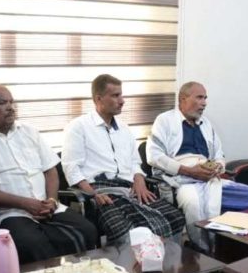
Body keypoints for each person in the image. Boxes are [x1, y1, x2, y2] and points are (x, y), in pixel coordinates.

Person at [0, 84, 97, 264]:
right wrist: (25, 204)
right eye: (2, 103)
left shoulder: (29, 131)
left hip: (48, 207)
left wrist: (52, 200)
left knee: (87, 229)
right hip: (10, 213)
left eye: (11, 102)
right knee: (32, 244)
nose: (10, 107)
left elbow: (50, 170)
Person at [61, 74, 185, 243]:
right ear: (98, 99)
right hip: (100, 191)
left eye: (121, 95)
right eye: (115, 95)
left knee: (175, 217)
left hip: (129, 188)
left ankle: (167, 259)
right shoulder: (78, 127)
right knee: (124, 230)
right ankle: (134, 260)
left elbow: (135, 162)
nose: (122, 101)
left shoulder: (124, 129)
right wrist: (93, 194)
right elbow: (72, 168)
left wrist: (140, 180)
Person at [147, 81, 248, 252]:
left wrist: (216, 167)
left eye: (205, 98)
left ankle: (237, 246)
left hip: (209, 178)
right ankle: (203, 250)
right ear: (183, 99)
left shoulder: (206, 124)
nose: (204, 103)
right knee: (195, 204)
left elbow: (219, 155)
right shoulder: (165, 120)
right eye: (199, 98)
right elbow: (154, 156)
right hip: (182, 180)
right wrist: (189, 171)